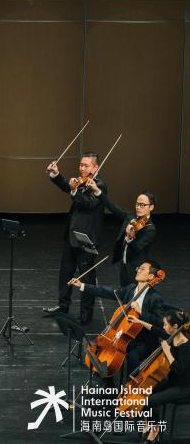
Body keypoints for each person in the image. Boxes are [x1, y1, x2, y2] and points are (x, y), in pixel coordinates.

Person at [68, 260, 164, 374]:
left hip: (144, 339)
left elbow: (160, 323)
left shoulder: (155, 297)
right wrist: (82, 285)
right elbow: (107, 292)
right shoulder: (130, 288)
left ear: (151, 276)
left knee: (132, 356)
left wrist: (141, 312)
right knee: (107, 352)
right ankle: (108, 378)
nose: (138, 270)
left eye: (142, 269)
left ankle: (129, 383)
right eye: (139, 268)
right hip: (124, 334)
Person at [43, 153, 107, 325]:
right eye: (81, 165)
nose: (82, 168)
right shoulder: (81, 182)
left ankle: (86, 314)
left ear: (95, 167)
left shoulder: (100, 185)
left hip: (87, 239)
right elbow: (68, 187)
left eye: (86, 165)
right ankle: (63, 306)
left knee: (86, 278)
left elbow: (88, 203)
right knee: (65, 272)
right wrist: (56, 175)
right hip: (72, 237)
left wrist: (74, 190)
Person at [126, 310, 190, 443]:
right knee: (143, 392)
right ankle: (149, 424)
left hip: (183, 387)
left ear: (175, 327)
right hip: (172, 381)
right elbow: (156, 330)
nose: (164, 327)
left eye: (166, 324)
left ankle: (155, 431)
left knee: (148, 401)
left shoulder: (185, 346)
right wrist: (138, 321)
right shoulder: (172, 336)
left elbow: (181, 371)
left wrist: (167, 351)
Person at [86, 181, 156, 287]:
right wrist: (97, 191)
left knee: (132, 295)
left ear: (151, 207)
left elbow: (137, 247)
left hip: (137, 270)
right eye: (137, 204)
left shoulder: (150, 229)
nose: (138, 207)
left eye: (142, 205)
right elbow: (113, 207)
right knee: (123, 293)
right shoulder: (131, 217)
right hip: (124, 265)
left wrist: (129, 236)